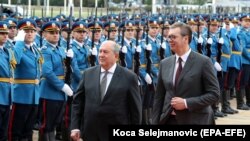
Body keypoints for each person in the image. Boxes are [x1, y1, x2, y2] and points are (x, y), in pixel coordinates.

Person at [70, 40, 142, 141]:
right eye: (100, 51)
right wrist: (75, 127)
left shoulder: (129, 77)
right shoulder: (88, 74)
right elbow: (78, 103)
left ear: (116, 56)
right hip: (90, 133)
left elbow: (135, 110)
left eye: (105, 52)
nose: (101, 55)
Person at [152, 22, 220, 125]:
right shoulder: (165, 63)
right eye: (169, 37)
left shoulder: (203, 62)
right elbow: (159, 97)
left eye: (173, 37)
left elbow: (214, 94)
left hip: (196, 119)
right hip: (169, 119)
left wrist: (186, 103)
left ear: (186, 39)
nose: (169, 40)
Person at [8, 18, 43, 141]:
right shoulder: (16, 48)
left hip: (34, 96)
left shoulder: (35, 50)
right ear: (20, 32)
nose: (29, 33)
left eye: (32, 31)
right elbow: (14, 61)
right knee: (16, 131)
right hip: (21, 95)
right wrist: (18, 41)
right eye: (26, 31)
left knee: (28, 132)